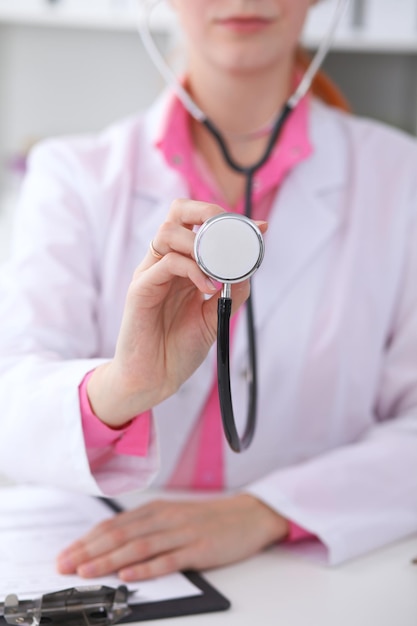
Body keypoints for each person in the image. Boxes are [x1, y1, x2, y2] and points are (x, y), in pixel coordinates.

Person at [0, 0, 416, 582]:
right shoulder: (71, 175)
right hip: (107, 564)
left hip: (307, 575)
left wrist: (265, 511)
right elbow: (11, 401)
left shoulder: (401, 178)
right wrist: (124, 386)